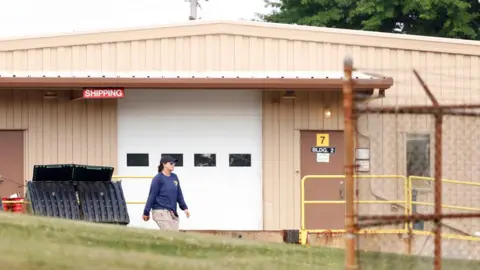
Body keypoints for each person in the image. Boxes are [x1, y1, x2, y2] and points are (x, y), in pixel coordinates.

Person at [142, 155, 190, 230]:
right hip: (160, 211)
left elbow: (179, 194)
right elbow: (152, 195)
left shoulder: (174, 177)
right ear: (164, 164)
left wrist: (185, 208)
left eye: (174, 163)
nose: (173, 165)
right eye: (171, 163)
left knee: (174, 238)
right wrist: (146, 212)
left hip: (172, 212)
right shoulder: (158, 178)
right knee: (170, 234)